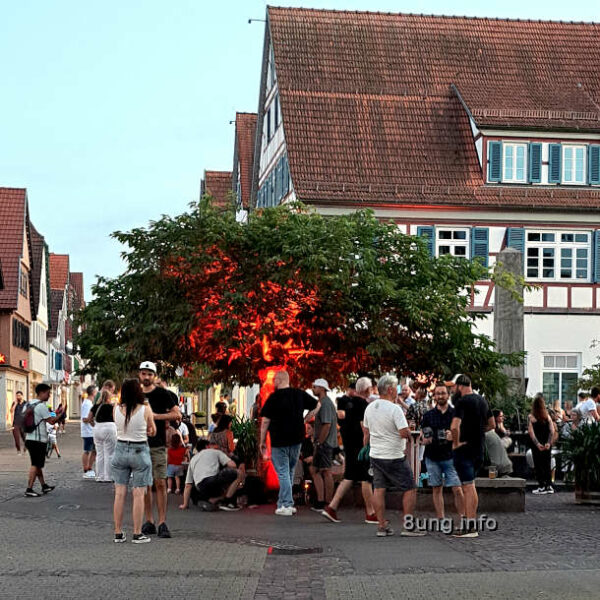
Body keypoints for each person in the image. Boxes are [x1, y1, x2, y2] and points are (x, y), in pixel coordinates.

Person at [363, 375, 424, 537]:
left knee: (379, 489)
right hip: (394, 455)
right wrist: (410, 432)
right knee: (410, 487)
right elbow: (403, 433)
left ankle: (382, 525)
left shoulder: (370, 407)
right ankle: (408, 525)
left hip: (376, 454)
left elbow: (366, 432)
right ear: (390, 389)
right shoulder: (394, 409)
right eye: (396, 387)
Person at [260, 370, 317, 516]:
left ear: (278, 380)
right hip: (297, 439)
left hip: (279, 440)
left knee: (283, 472)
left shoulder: (273, 398)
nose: (273, 383)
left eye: (274, 380)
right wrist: (306, 418)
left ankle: (286, 504)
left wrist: (262, 441)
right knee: (290, 471)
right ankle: (283, 502)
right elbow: (317, 405)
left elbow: (266, 420)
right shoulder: (299, 394)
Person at [320, 377, 376, 523]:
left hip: (349, 444)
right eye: (370, 388)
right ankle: (370, 512)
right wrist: (367, 445)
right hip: (360, 445)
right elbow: (365, 428)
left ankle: (332, 507)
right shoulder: (364, 405)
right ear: (367, 390)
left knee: (349, 477)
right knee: (366, 478)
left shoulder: (347, 403)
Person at [139, 361, 181, 539]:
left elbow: (177, 414)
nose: (147, 377)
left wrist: (156, 416)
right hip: (139, 444)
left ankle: (162, 521)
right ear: (139, 374)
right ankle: (149, 520)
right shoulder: (136, 393)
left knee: (161, 482)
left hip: (157, 444)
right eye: (144, 373)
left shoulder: (163, 393)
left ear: (154, 376)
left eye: (150, 374)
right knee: (146, 485)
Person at [111, 378, 156, 544]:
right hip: (139, 450)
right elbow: (153, 430)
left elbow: (118, 426)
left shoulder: (115, 408)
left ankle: (118, 532)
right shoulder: (145, 408)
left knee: (119, 493)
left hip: (120, 449)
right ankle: (137, 533)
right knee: (138, 493)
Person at [450, 374, 495, 538]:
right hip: (479, 449)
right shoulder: (482, 401)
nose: (453, 390)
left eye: (454, 387)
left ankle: (470, 525)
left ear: (460, 386)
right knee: (470, 485)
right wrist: (478, 433)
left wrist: (456, 443)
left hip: (464, 449)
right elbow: (492, 424)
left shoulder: (461, 402)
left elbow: (455, 427)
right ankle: (471, 522)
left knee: (468, 487)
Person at [421, 384, 464, 520]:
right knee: (436, 488)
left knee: (457, 488)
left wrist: (453, 436)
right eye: (438, 394)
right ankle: (441, 519)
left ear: (448, 395)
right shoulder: (428, 415)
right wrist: (424, 439)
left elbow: (464, 434)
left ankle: (463, 517)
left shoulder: (455, 413)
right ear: (434, 396)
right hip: (432, 456)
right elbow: (423, 433)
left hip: (451, 456)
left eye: (443, 393)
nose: (440, 396)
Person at [179, 439, 242, 511]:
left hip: (200, 487)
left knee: (201, 487)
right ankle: (227, 502)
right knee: (238, 473)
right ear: (207, 446)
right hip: (213, 481)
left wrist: (185, 504)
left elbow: (188, 485)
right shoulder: (215, 452)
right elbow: (233, 465)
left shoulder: (193, 459)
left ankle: (212, 500)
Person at [24, 383, 60, 497]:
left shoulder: (28, 404)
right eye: (48, 393)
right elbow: (51, 421)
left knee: (37, 464)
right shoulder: (41, 406)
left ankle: (44, 486)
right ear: (42, 393)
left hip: (29, 438)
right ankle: (29, 488)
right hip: (38, 440)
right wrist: (61, 414)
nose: (49, 395)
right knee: (35, 464)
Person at [309, 378, 338, 512]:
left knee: (326, 471)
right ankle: (321, 501)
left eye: (315, 387)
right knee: (315, 470)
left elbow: (327, 424)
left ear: (321, 388)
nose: (313, 389)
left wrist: (319, 441)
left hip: (325, 443)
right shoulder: (323, 403)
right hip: (323, 442)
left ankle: (327, 502)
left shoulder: (325, 404)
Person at [528, 393, 556, 495]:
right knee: (547, 464)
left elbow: (531, 433)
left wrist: (537, 444)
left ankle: (541, 486)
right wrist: (548, 443)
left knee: (538, 464)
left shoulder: (531, 417)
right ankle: (549, 486)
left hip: (537, 445)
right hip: (547, 444)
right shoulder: (547, 416)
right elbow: (552, 431)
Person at [91, 389, 118, 482]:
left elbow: (89, 418)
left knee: (100, 453)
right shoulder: (112, 407)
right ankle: (108, 476)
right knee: (109, 453)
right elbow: (116, 418)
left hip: (97, 428)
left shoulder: (95, 406)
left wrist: (94, 425)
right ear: (109, 397)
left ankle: (99, 476)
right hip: (109, 428)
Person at [81, 385, 97, 479]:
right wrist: (92, 421)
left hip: (90, 431)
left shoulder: (89, 403)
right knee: (87, 450)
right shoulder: (87, 404)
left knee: (93, 451)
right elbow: (85, 418)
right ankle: (86, 469)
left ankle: (89, 468)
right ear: (93, 392)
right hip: (88, 432)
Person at [10, 390, 27, 455]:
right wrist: (15, 404)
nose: (18, 397)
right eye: (17, 396)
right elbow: (11, 411)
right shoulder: (14, 403)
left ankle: (25, 447)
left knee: (25, 438)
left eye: (19, 395)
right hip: (15, 424)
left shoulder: (26, 403)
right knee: (16, 438)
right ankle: (18, 450)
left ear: (22, 396)